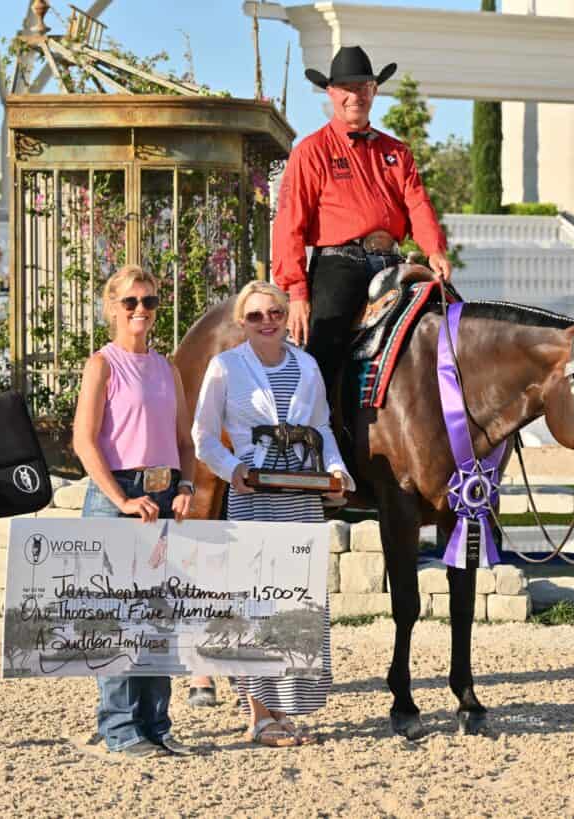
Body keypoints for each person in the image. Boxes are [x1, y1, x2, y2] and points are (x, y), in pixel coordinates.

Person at [192, 281, 355, 747]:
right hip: (254, 494)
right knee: (256, 603)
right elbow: (203, 436)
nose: (267, 322)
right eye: (256, 315)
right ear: (242, 322)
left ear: (287, 317)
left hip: (301, 497)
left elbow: (321, 426)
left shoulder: (307, 365)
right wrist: (232, 469)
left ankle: (284, 709)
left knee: (297, 602)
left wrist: (336, 470)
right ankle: (259, 716)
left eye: (275, 313)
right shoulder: (226, 367)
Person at [271, 45, 452, 398]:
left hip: (393, 261)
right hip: (340, 263)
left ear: (374, 90)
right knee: (325, 342)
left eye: (363, 87)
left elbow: (417, 203)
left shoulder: (397, 152)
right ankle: (308, 422)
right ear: (331, 92)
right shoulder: (311, 151)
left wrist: (435, 250)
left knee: (447, 316)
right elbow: (289, 223)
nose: (355, 96)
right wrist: (296, 292)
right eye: (347, 88)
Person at [72, 263, 197, 759]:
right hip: (118, 494)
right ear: (112, 308)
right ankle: (120, 728)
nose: (141, 309)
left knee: (159, 615)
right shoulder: (101, 365)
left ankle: (156, 722)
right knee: (118, 617)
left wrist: (186, 485)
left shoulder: (167, 368)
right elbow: (84, 441)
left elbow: (184, 440)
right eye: (131, 301)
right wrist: (120, 498)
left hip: (163, 494)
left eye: (149, 301)